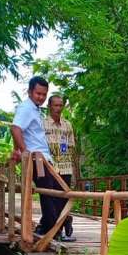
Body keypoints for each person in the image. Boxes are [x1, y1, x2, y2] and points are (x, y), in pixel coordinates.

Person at [10, 76, 62, 239]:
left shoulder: (34, 109)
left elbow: (20, 131)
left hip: (43, 159)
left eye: (44, 94)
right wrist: (24, 152)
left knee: (54, 194)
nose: (41, 97)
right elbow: (15, 128)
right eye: (38, 93)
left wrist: (17, 150)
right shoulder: (26, 108)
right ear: (30, 91)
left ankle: (46, 228)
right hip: (37, 160)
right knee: (49, 195)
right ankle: (52, 232)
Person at [43, 93, 79, 242]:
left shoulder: (67, 125)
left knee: (63, 199)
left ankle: (61, 226)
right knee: (50, 198)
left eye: (60, 105)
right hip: (50, 167)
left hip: (65, 167)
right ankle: (58, 228)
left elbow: (72, 148)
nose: (58, 108)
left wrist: (75, 171)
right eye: (55, 105)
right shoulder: (42, 124)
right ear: (49, 106)